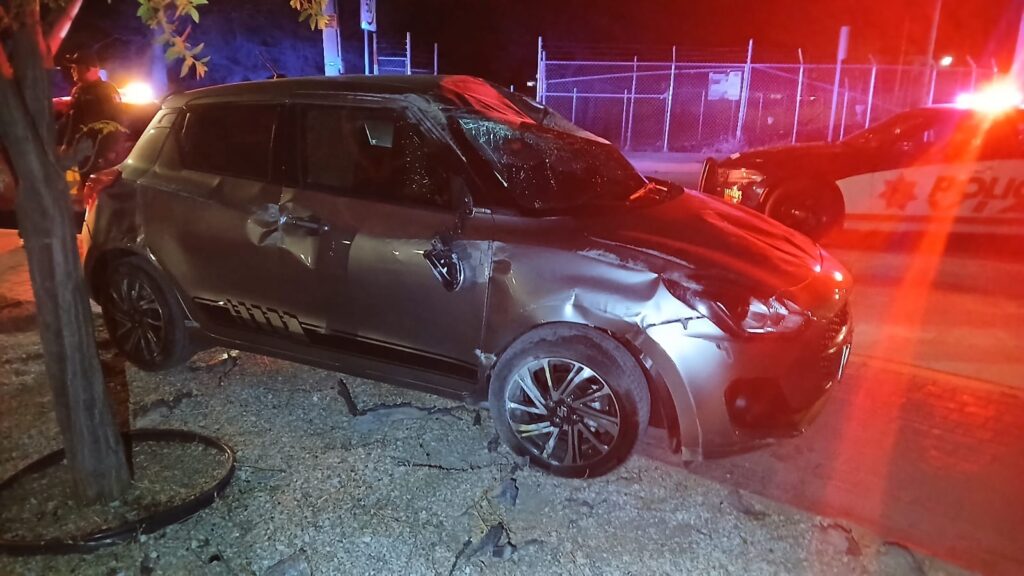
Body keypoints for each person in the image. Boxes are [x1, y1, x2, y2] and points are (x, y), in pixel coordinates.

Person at [58, 49, 123, 186]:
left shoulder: (106, 91)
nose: (72, 71)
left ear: (87, 68)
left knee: (102, 189)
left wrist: (110, 149)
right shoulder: (79, 91)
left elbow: (117, 122)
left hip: (102, 151)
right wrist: (68, 144)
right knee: (86, 185)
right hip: (84, 149)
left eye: (75, 68)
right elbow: (73, 119)